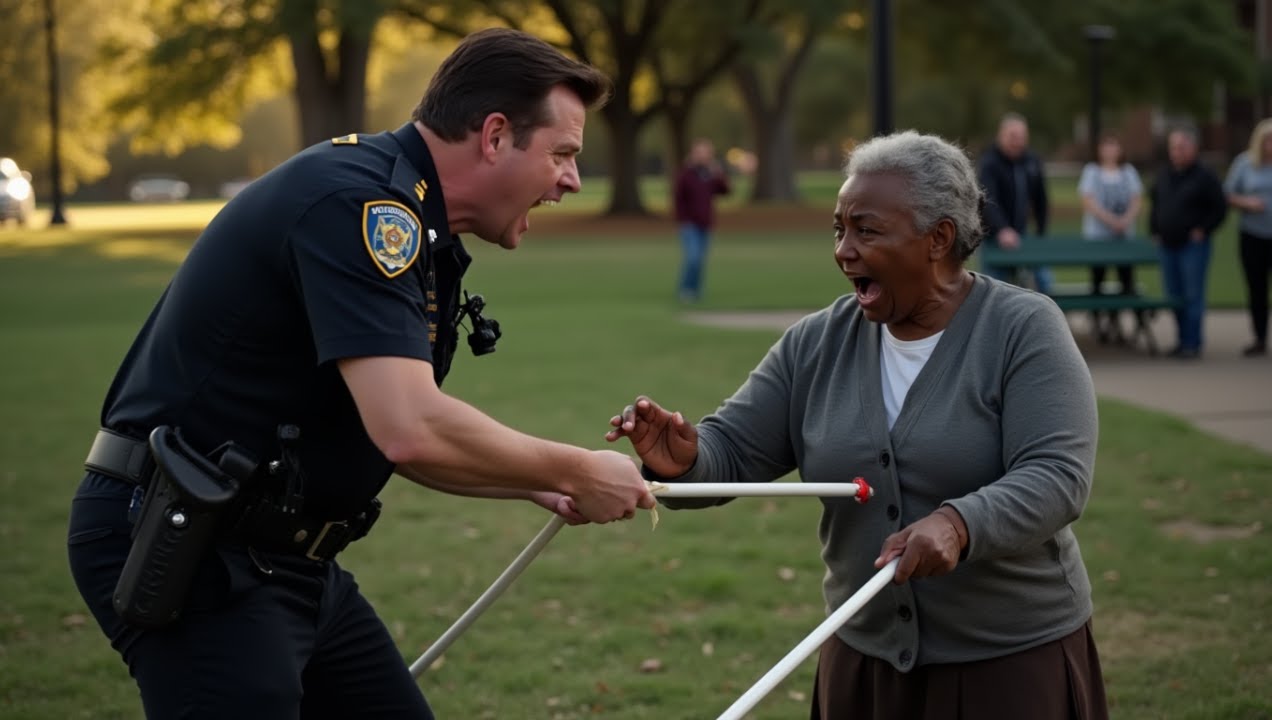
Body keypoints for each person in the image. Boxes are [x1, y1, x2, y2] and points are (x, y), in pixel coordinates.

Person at [67, 28, 655, 720]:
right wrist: (575, 470)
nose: (572, 180)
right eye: (562, 154)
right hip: (187, 540)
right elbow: (408, 426)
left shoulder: (405, 211)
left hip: (280, 554)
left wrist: (535, 482)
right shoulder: (363, 207)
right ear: (495, 136)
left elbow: (388, 432)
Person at [608, 131, 1108, 719]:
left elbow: (1057, 476)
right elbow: (734, 449)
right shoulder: (816, 342)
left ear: (938, 238)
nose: (844, 251)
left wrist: (958, 524)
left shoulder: (1022, 329)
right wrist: (686, 460)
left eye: (867, 231)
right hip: (864, 663)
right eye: (839, 230)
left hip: (1007, 665)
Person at [1149, 127, 1227, 359]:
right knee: (1174, 295)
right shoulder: (1164, 174)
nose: (1177, 152)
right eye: (1173, 148)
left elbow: (1220, 208)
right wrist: (1155, 230)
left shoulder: (1205, 175)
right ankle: (1181, 340)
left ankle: (1192, 343)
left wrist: (1204, 229)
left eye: (1182, 147)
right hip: (1167, 244)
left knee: (1192, 295)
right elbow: (1155, 204)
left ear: (1193, 148)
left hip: (1193, 246)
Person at [1078, 133, 1144, 342]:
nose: (1110, 151)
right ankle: (1099, 323)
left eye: (1113, 146)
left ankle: (1121, 323)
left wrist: (1125, 220)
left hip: (1123, 238)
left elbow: (1136, 200)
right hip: (1099, 237)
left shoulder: (1128, 172)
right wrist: (1111, 220)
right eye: (1106, 146)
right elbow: (1088, 201)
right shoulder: (1092, 171)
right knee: (1098, 279)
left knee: (1127, 281)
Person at [978, 113, 1053, 293]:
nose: (1017, 142)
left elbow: (1041, 199)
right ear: (1001, 135)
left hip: (1022, 234)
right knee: (994, 290)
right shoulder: (989, 163)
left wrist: (1041, 232)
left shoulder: (1032, 161)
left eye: (1021, 137)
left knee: (1044, 281)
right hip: (993, 237)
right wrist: (1002, 229)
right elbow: (988, 200)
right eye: (1013, 136)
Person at [1224, 117, 1272, 357]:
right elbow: (1227, 194)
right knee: (1257, 288)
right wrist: (1247, 202)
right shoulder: (1245, 163)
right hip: (1253, 234)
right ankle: (1260, 338)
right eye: (1270, 140)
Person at [673, 138, 730, 302]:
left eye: (706, 153)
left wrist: (718, 173)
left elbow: (725, 191)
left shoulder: (710, 174)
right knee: (693, 258)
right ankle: (686, 289)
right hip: (689, 224)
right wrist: (682, 219)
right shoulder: (686, 174)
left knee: (700, 260)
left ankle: (696, 290)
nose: (703, 156)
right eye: (700, 152)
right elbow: (678, 198)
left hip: (706, 223)